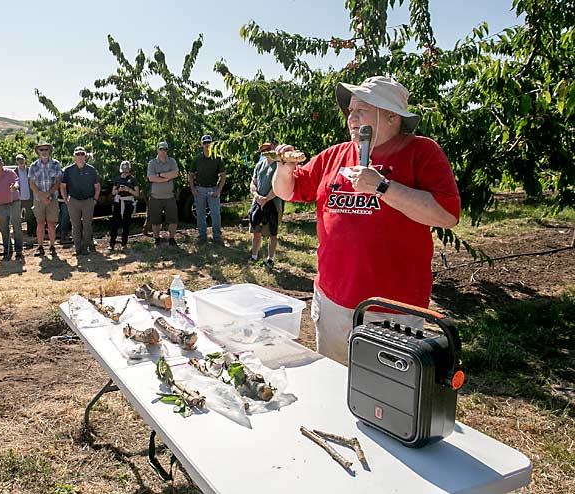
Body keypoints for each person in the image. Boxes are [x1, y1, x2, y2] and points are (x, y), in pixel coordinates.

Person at [272, 76, 461, 365]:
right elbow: (288, 190)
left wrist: (382, 186)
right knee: (334, 383)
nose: (351, 118)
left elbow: (447, 215)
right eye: (350, 111)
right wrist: (284, 168)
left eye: (361, 110)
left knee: (384, 397)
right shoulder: (335, 156)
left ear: (391, 116)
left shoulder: (421, 152)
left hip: (391, 311)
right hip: (333, 300)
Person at [60, 146, 101, 255]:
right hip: (73, 201)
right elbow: (63, 186)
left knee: (87, 226)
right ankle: (78, 248)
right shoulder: (68, 170)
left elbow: (97, 186)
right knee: (75, 226)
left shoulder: (91, 170)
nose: (80, 156)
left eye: (82, 154)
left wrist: (95, 199)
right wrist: (65, 199)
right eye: (78, 154)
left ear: (85, 156)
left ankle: (85, 247)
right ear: (74, 156)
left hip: (88, 201)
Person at [250, 141, 283, 266]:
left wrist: (266, 198)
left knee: (272, 233)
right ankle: (254, 257)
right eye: (263, 150)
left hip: (273, 205)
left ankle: (270, 259)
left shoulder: (278, 165)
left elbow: (278, 186)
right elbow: (253, 183)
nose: (266, 151)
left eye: (268, 148)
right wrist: (257, 196)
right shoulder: (259, 165)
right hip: (258, 203)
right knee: (256, 231)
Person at [189, 134, 226, 245]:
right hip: (199, 189)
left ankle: (217, 238)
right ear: (202, 144)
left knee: (215, 214)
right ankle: (202, 237)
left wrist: (218, 190)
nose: (207, 145)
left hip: (213, 189)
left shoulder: (218, 158)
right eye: (205, 143)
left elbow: (223, 176)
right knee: (200, 214)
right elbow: (190, 174)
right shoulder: (197, 159)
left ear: (212, 144)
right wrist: (193, 189)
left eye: (209, 142)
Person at [28, 141, 63, 256]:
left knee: (52, 224)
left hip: (52, 199)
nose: (44, 152)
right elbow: (32, 184)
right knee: (40, 224)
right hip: (38, 200)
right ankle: (40, 247)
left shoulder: (56, 164)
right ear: (37, 151)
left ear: (49, 151)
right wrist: (41, 196)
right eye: (41, 149)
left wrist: (48, 194)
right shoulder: (33, 166)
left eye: (46, 149)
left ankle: (52, 246)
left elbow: (58, 182)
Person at [147, 141, 180, 246]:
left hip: (169, 196)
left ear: (167, 150)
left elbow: (175, 173)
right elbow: (151, 178)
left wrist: (160, 175)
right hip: (155, 196)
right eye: (161, 149)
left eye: (165, 149)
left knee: (173, 219)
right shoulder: (152, 163)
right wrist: (167, 178)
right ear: (157, 150)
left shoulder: (172, 161)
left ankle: (171, 238)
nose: (163, 151)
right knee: (155, 221)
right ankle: (156, 238)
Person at [109, 161, 140, 250]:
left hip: (128, 202)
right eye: (123, 171)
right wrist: (119, 190)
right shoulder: (117, 179)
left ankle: (124, 243)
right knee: (115, 223)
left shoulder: (133, 179)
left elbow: (137, 193)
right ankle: (112, 243)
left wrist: (128, 189)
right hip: (118, 201)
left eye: (126, 171)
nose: (125, 173)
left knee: (126, 223)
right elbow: (113, 192)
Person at [14, 153, 35, 235]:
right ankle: (18, 233)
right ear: (16, 162)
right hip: (18, 198)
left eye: (22, 159)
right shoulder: (14, 172)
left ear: (25, 160)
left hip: (29, 197)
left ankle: (31, 232)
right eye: (18, 160)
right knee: (17, 217)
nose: (20, 161)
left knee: (30, 216)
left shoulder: (30, 170)